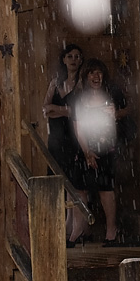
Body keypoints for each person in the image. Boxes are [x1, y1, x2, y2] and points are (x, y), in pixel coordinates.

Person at [73, 58, 128, 246]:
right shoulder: (80, 98)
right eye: (92, 73)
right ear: (86, 76)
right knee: (80, 190)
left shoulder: (111, 94)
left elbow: (127, 110)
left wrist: (116, 114)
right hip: (84, 149)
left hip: (107, 148)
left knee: (106, 190)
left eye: (99, 73)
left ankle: (111, 231)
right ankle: (79, 231)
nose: (96, 77)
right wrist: (87, 151)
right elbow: (78, 127)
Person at [42, 44, 88, 246]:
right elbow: (45, 109)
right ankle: (64, 227)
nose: (74, 59)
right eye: (70, 56)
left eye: (77, 56)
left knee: (75, 183)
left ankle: (77, 230)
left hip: (75, 136)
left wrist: (57, 109)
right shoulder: (55, 82)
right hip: (56, 138)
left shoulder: (82, 84)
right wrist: (64, 110)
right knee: (58, 181)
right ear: (63, 59)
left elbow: (78, 112)